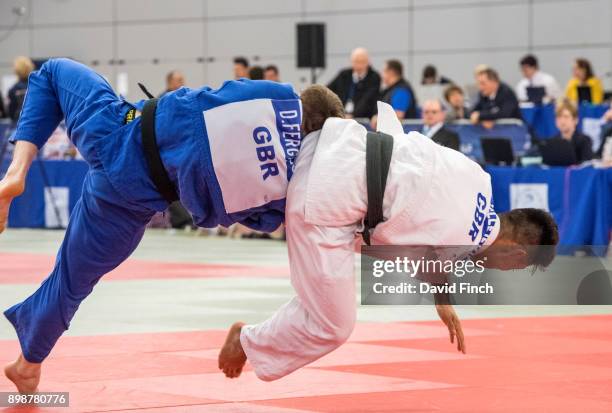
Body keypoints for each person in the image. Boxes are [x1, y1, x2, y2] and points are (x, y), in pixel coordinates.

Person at [0, 58, 303, 394]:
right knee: (71, 284)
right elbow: (255, 221)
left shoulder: (280, 98)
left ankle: (17, 169)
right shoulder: (294, 194)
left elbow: (218, 93)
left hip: (122, 127)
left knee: (52, 72)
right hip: (135, 198)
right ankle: (28, 365)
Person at [218, 87, 559, 381]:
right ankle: (248, 341)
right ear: (517, 254)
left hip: (335, 137)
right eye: (515, 268)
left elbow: (439, 239)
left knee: (373, 236)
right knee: (334, 324)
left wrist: (442, 298)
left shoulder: (478, 177)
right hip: (324, 196)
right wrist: (442, 294)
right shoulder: (459, 246)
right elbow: (435, 256)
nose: (501, 271)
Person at [327, 47, 381, 118]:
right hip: (341, 114)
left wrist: (353, 115)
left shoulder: (374, 77)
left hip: (362, 117)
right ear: (351, 62)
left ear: (368, 62)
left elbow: (367, 99)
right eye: (356, 62)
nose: (359, 65)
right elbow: (328, 90)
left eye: (362, 62)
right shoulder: (344, 74)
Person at [8, 56, 35, 123]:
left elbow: (11, 112)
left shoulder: (13, 89)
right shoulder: (37, 86)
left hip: (20, 123)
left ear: (16, 70)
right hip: (37, 121)